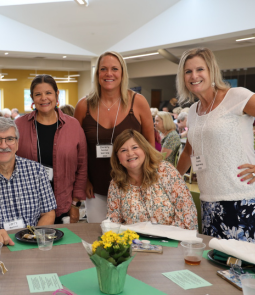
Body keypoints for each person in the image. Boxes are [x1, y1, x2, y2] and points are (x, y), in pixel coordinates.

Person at [176, 48, 255, 242]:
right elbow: (189, 151)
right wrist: (171, 180)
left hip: (241, 199)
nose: (194, 76)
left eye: (200, 69)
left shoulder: (236, 96)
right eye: (188, 71)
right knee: (213, 267)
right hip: (209, 202)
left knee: (242, 269)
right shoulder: (193, 111)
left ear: (211, 71)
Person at [74, 51, 154, 223]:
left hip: (133, 186)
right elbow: (77, 150)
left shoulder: (138, 102)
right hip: (96, 188)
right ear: (97, 74)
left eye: (114, 69)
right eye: (103, 69)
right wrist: (85, 180)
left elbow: (150, 146)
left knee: (134, 240)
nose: (109, 74)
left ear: (122, 73)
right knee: (100, 238)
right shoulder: (83, 106)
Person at [0, 117, 57, 245]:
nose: (3, 145)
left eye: (9, 139)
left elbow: (48, 213)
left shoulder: (37, 171)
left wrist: (35, 238)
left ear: (17, 143)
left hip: (31, 244)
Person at [16, 75, 87, 223]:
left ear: (56, 94)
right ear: (32, 98)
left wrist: (76, 205)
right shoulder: (19, 126)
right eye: (38, 94)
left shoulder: (73, 126)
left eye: (48, 93)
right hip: (26, 207)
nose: (44, 98)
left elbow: (82, 167)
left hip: (64, 206)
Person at [107, 130, 197, 230]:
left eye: (135, 147)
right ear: (118, 157)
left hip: (172, 241)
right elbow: (113, 222)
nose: (130, 153)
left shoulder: (166, 171)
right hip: (134, 242)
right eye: (123, 150)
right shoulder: (116, 184)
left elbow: (188, 213)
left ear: (144, 149)